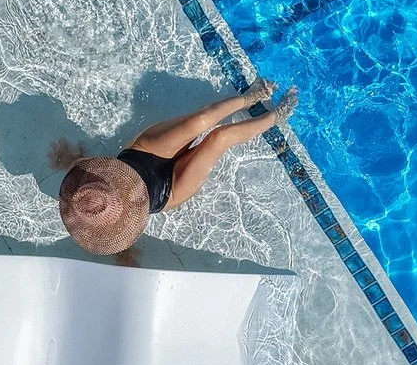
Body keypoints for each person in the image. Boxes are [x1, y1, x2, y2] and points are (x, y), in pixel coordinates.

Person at [57, 80, 297, 255]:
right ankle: (275, 117)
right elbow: (120, 240)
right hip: (167, 189)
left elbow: (81, 164)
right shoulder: (98, 218)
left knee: (200, 120)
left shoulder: (83, 187)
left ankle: (249, 97)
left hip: (142, 154)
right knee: (220, 138)